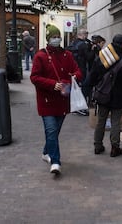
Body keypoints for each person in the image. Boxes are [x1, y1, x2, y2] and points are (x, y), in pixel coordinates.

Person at [30, 29, 82, 175]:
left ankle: (46, 152)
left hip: (63, 100)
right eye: (53, 37)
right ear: (48, 38)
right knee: (51, 130)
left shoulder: (68, 55)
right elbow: (34, 77)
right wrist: (52, 84)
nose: (57, 39)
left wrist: (72, 78)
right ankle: (55, 161)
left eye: (58, 37)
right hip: (46, 101)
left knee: (54, 131)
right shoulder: (40, 56)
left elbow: (78, 71)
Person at [89, 34, 122, 157]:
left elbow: (93, 74)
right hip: (118, 97)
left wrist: (95, 87)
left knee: (101, 121)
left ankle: (97, 146)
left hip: (103, 95)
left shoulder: (102, 56)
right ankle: (115, 148)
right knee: (115, 122)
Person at [66, 29, 93, 116]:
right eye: (86, 34)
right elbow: (89, 57)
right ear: (83, 35)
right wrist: (92, 50)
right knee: (83, 88)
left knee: (74, 88)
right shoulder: (83, 45)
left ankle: (72, 106)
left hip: (72, 69)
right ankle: (80, 107)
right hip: (81, 69)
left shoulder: (72, 43)